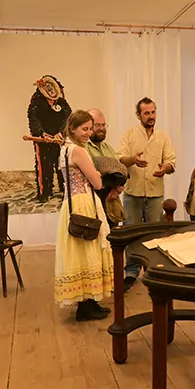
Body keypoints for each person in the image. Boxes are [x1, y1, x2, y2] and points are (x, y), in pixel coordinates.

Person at [54, 110, 114, 322]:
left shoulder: (64, 149)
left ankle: (88, 301)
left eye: (90, 128)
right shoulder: (78, 151)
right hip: (83, 202)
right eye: (84, 129)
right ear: (72, 129)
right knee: (88, 250)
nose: (89, 133)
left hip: (71, 204)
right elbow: (97, 182)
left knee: (79, 252)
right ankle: (86, 305)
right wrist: (98, 174)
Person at [117, 97, 177, 291]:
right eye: (146, 113)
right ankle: (131, 272)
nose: (151, 116)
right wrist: (132, 160)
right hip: (132, 193)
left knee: (155, 235)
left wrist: (165, 168)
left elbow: (171, 161)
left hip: (155, 193)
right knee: (132, 234)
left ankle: (153, 271)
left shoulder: (163, 137)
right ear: (138, 115)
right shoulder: (128, 135)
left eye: (153, 112)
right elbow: (120, 159)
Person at [27, 75, 72, 202]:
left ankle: (66, 190)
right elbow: (33, 119)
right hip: (43, 141)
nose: (51, 91)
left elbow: (68, 118)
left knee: (63, 164)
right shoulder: (36, 103)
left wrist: (61, 132)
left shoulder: (62, 103)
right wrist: (41, 133)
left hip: (60, 140)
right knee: (44, 166)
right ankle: (45, 192)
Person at [86, 108, 128, 228]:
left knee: (112, 235)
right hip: (92, 202)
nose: (101, 128)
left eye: (103, 125)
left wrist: (117, 188)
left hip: (110, 201)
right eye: (97, 125)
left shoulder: (108, 148)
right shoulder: (83, 148)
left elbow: (120, 171)